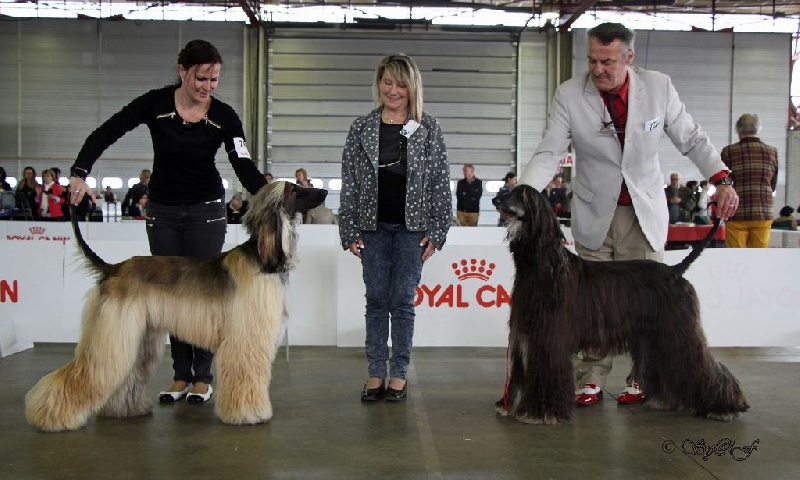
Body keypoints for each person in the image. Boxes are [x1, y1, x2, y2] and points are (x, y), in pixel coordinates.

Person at [518, 22, 739, 407]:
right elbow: (550, 150)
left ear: (629, 57)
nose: (597, 69)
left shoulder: (658, 87)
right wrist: (525, 194)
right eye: (592, 60)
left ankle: (644, 379)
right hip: (594, 212)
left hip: (643, 210)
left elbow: (691, 138)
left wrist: (720, 179)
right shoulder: (569, 94)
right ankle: (590, 380)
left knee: (647, 306)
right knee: (590, 306)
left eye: (607, 62)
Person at [68, 39, 268, 405]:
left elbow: (242, 164)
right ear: (182, 71)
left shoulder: (224, 116)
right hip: (163, 211)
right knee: (171, 295)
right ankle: (180, 376)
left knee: (206, 295)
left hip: (206, 210)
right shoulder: (156, 104)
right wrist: (80, 172)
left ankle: (203, 378)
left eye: (214, 80)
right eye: (201, 78)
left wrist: (270, 194)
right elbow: (108, 131)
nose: (207, 87)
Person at [339, 53, 451, 403]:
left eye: (401, 84)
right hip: (371, 228)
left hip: (412, 230)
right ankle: (375, 373)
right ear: (379, 84)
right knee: (376, 301)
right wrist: (348, 230)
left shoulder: (429, 128)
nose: (393, 90)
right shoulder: (361, 127)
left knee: (402, 302)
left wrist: (438, 231)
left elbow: (439, 182)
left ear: (412, 87)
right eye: (387, 82)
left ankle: (399, 374)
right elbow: (350, 182)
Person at [721, 113, 779, 248]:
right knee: (759, 256)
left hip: (736, 212)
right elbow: (773, 184)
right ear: (758, 129)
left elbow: (724, 183)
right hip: (763, 212)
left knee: (736, 256)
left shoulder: (728, 151)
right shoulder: (772, 151)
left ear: (738, 129)